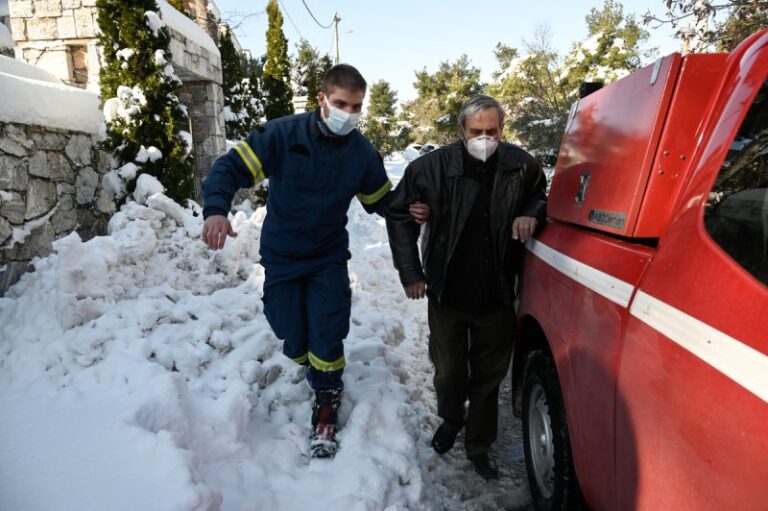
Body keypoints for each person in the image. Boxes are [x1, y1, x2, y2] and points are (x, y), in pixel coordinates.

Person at [201, 64, 428, 459]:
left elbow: (381, 202)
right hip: (283, 254)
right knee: (288, 327)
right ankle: (308, 360)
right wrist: (216, 209)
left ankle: (326, 397)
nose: (348, 113)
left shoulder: (360, 153)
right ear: (321, 99)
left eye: (356, 107)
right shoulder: (283, 134)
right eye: (341, 103)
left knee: (327, 327)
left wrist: (411, 209)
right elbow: (230, 167)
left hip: (327, 256)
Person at [385, 94, 546, 479]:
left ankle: (479, 443)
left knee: (489, 376)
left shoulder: (521, 165)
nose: (485, 138)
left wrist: (530, 212)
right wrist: (411, 272)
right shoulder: (431, 168)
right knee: (448, 370)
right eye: (477, 131)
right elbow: (398, 212)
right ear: (461, 131)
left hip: (497, 291)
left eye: (492, 131)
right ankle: (451, 419)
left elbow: (540, 196)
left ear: (502, 130)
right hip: (448, 290)